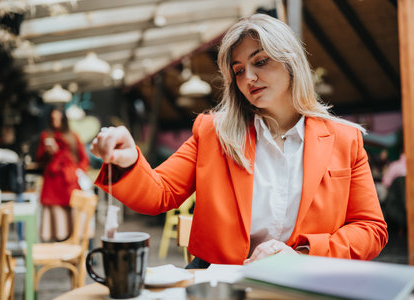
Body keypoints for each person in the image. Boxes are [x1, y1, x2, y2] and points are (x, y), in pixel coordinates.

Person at [91, 14, 388, 268]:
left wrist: (305, 253)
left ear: (291, 62)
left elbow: (371, 229)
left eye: (260, 61)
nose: (249, 78)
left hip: (305, 278)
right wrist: (129, 160)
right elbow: (160, 194)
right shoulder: (212, 132)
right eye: (239, 70)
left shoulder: (344, 139)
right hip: (221, 281)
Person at [36, 107, 89, 241]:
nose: (56, 122)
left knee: (74, 214)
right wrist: (48, 152)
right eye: (53, 118)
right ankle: (59, 248)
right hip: (53, 181)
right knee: (56, 217)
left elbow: (84, 159)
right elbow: (39, 159)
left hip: (70, 181)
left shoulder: (73, 136)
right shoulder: (46, 136)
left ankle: (75, 247)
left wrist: (78, 172)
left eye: (58, 118)